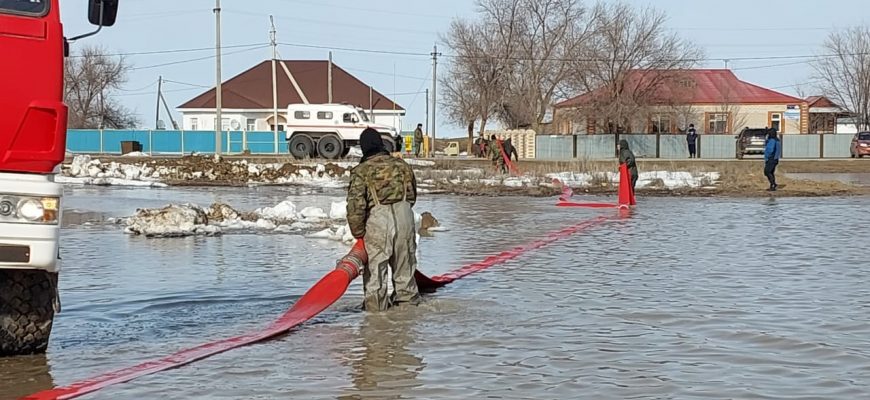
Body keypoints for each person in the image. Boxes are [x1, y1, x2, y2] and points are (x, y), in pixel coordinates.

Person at [346, 128, 421, 311]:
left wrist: (359, 233)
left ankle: (377, 325)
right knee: (405, 277)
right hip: (405, 218)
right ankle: (406, 323)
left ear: (364, 148)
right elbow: (412, 196)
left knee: (376, 280)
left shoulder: (361, 171)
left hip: (378, 224)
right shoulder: (403, 166)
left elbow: (356, 207)